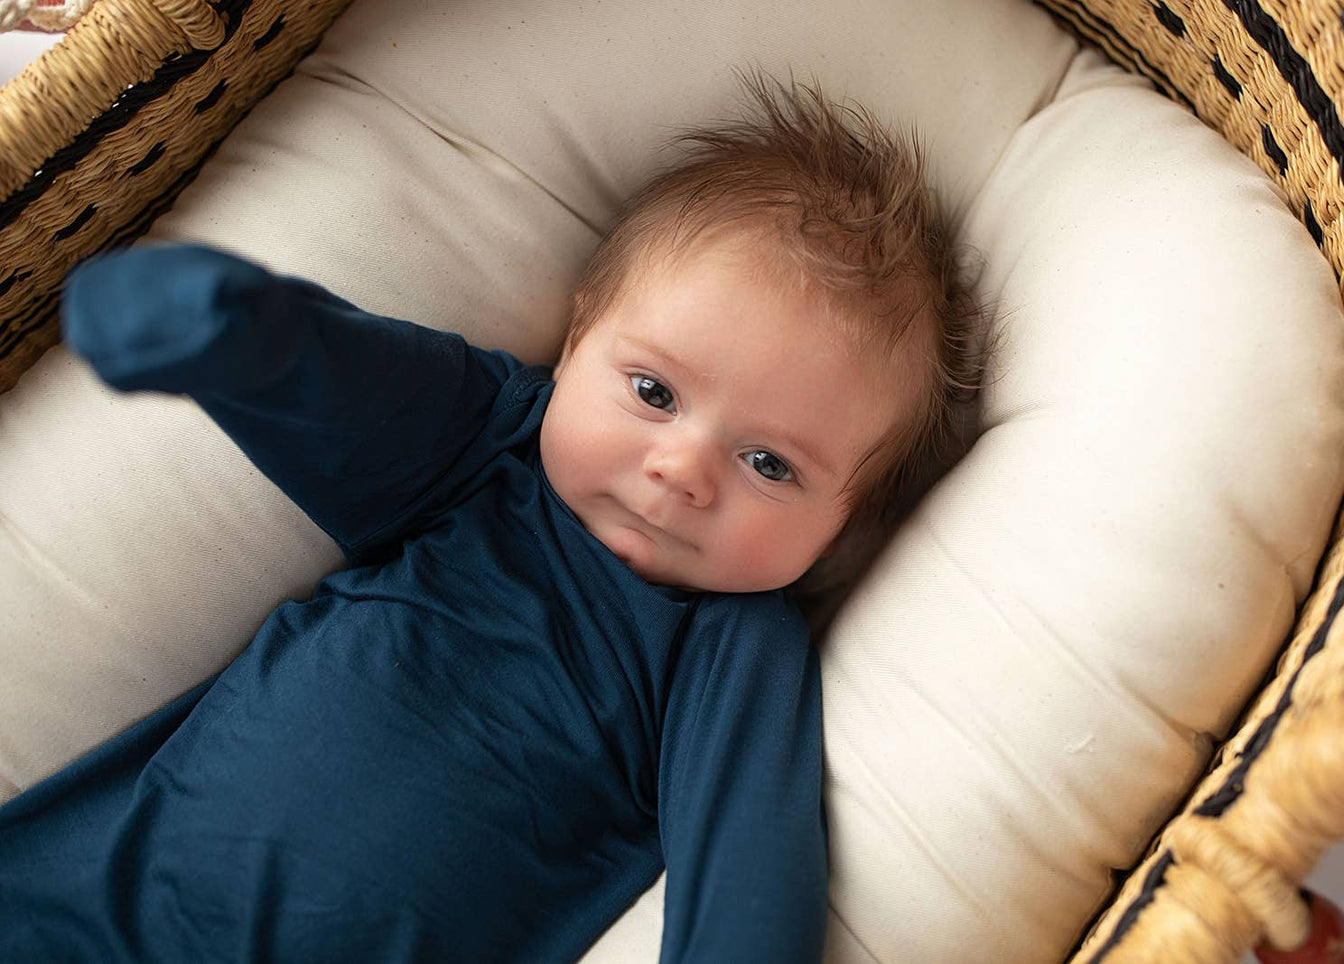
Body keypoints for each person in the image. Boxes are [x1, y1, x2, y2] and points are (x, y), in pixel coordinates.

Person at [0, 73, 984, 962]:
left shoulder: (727, 646)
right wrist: (229, 329)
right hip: (84, 906)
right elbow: (341, 389)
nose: (681, 468)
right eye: (651, 391)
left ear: (847, 524)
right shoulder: (487, 446)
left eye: (769, 463)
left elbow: (753, 869)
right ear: (577, 334)